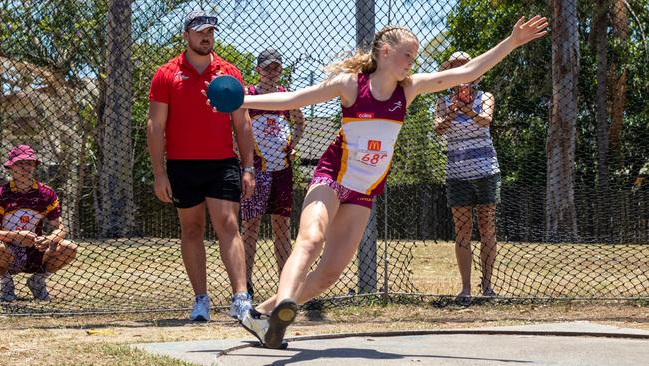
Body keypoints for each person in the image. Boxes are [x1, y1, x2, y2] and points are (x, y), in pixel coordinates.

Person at [208, 16, 548, 348]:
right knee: (310, 239)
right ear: (385, 51)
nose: (411, 64)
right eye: (407, 56)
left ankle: (264, 313)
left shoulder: (409, 90)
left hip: (364, 191)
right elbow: (292, 100)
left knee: (329, 274)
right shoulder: (351, 84)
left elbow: (466, 73)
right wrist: (242, 100)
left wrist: (512, 42)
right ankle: (285, 303)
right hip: (332, 176)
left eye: (414, 58)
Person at [146, 10, 255, 322]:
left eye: (210, 31)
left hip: (222, 164)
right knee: (191, 229)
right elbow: (155, 125)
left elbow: (242, 122)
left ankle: (240, 299)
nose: (206, 36)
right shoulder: (166, 73)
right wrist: (159, 173)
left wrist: (248, 168)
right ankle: (201, 301)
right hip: (181, 166)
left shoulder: (228, 72)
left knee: (228, 224)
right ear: (186, 36)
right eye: (199, 31)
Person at [434, 51, 500, 300]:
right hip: (457, 174)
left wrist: (467, 109)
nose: (462, 72)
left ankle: (488, 286)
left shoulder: (485, 97)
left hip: (486, 171)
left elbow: (486, 121)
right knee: (462, 230)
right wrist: (453, 111)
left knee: (487, 229)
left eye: (466, 66)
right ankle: (465, 288)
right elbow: (439, 128)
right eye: (456, 67)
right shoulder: (442, 102)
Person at [241, 49, 305, 298]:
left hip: (282, 170)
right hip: (255, 171)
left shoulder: (285, 96)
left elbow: (300, 122)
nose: (272, 72)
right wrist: (240, 152)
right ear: (258, 70)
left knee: (282, 227)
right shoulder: (249, 95)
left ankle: (285, 286)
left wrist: (294, 146)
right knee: (250, 226)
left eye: (276, 68)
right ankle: (245, 284)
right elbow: (235, 124)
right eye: (267, 68)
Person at [0, 145, 78, 301]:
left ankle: (38, 281)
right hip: (7, 252)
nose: (25, 167)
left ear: (35, 166)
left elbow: (60, 228)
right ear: (10, 167)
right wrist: (15, 236)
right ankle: (6, 283)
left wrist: (49, 239)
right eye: (20, 163)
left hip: (36, 250)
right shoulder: (2, 194)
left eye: (29, 163)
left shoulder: (46, 193)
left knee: (70, 247)